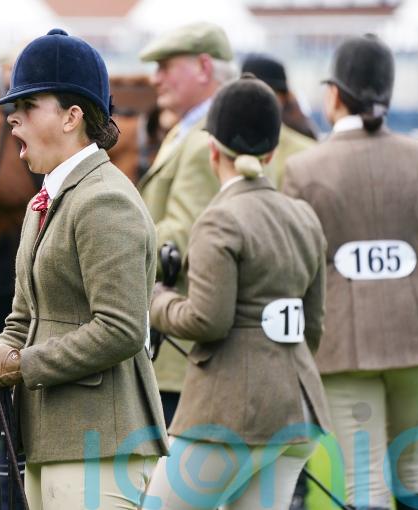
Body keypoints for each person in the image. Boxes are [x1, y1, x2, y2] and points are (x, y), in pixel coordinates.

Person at [0, 28, 167, 509]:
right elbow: (22, 318)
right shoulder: (43, 201)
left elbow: (120, 328)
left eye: (28, 105)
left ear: (71, 116)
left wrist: (19, 366)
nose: (12, 118)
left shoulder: (105, 200)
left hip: (102, 442)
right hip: (50, 439)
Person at [142, 76, 332, 510]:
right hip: (297, 407)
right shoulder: (303, 216)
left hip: (231, 412)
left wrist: (157, 301)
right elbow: (314, 325)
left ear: (213, 149)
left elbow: (207, 320)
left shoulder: (219, 219)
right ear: (271, 153)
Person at [283, 34, 418, 510]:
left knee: (363, 485)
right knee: (416, 475)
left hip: (344, 341)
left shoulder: (304, 168)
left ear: (334, 94)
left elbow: (294, 264)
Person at [137, 22, 238, 425]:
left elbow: (179, 240)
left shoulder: (202, 140)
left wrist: (110, 253)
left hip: (180, 349)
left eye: (166, 66)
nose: (155, 77)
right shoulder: (188, 132)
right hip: (176, 342)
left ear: (203, 67)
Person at [240, 54, 317, 191]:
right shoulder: (224, 146)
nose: (253, 102)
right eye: (245, 94)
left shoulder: (307, 152)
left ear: (282, 98)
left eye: (262, 94)